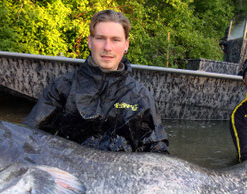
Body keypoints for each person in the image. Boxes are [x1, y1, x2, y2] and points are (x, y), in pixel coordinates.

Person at [23, 9, 170, 154]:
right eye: (100, 38)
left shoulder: (140, 97)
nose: (107, 47)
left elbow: (157, 151)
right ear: (89, 42)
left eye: (115, 40)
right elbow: (29, 137)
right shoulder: (62, 87)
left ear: (126, 45)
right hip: (66, 172)